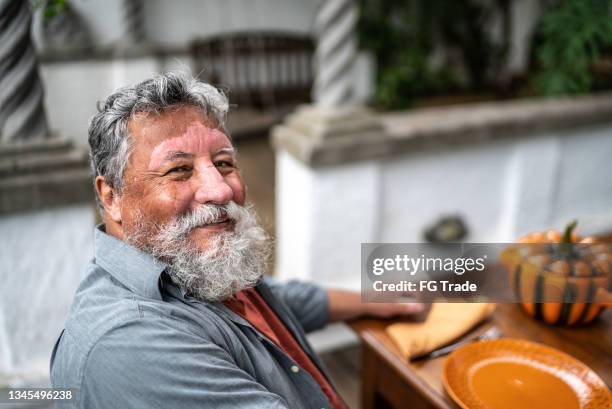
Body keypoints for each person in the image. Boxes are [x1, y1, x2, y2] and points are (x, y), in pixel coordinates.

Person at [50, 71, 423, 409]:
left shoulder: (188, 264)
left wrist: (372, 299)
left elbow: (266, 299)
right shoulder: (130, 345)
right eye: (179, 170)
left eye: (224, 163)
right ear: (112, 197)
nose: (220, 189)